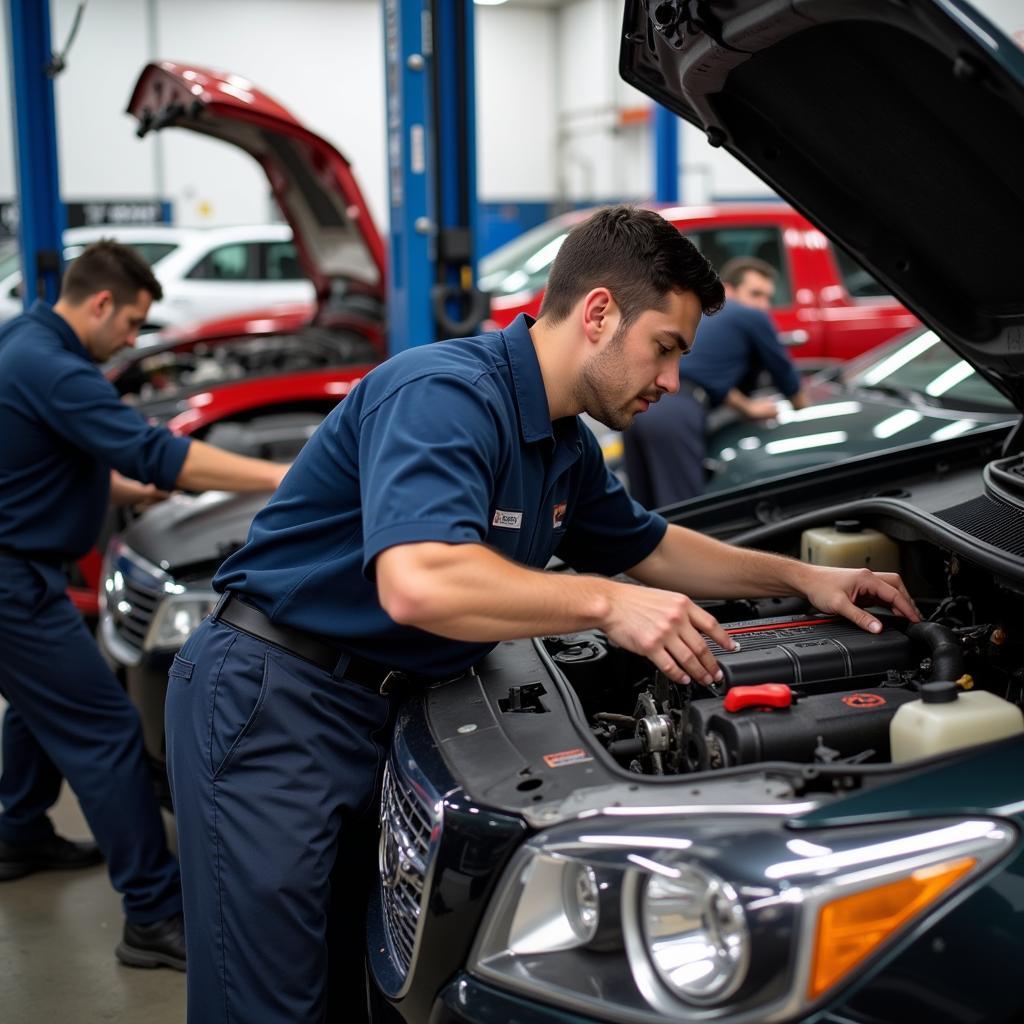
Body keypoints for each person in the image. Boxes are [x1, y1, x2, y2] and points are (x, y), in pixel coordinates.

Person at [164, 205, 919, 1023]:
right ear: (597, 313)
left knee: (349, 984)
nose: (671, 381)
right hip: (277, 702)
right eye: (663, 348)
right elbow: (418, 583)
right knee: (266, 1002)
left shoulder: (563, 441)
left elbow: (650, 547)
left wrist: (805, 579)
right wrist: (604, 603)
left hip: (375, 709)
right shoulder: (446, 395)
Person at [0, 240, 290, 970]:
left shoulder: (25, 342)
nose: (134, 340)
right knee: (104, 733)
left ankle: (18, 830)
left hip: (20, 571)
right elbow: (162, 455)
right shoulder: (53, 367)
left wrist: (128, 489)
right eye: (131, 322)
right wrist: (288, 477)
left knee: (43, 707)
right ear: (100, 303)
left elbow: (45, 456)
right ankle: (154, 917)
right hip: (10, 582)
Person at [623, 255, 810, 508]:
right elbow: (786, 377)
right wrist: (805, 410)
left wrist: (745, 406)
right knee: (685, 513)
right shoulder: (751, 316)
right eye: (756, 294)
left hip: (639, 405)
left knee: (643, 510)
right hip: (677, 411)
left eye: (768, 297)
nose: (763, 305)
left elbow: (706, 375)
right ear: (729, 290)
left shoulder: (700, 315)